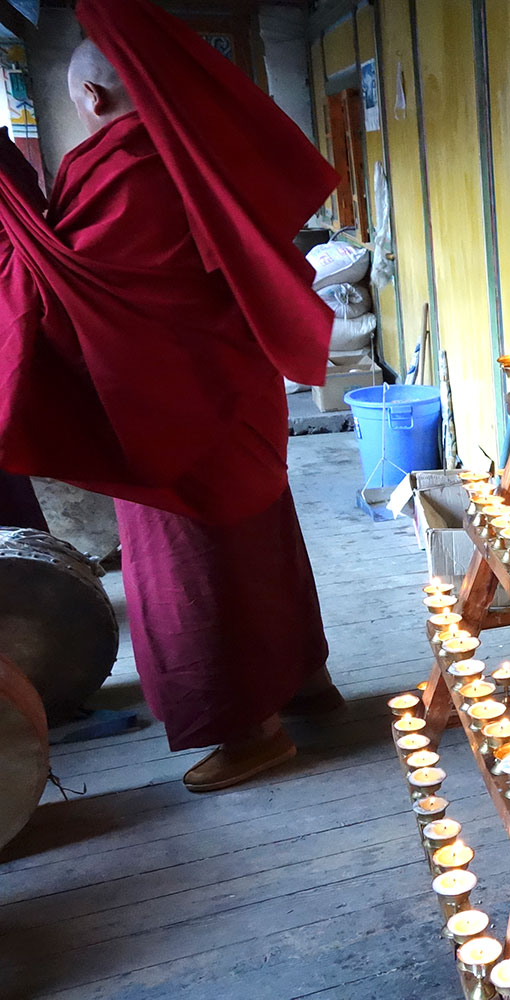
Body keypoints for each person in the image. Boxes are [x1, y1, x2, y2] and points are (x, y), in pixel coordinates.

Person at [0, 0, 341, 790]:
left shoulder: (122, 166)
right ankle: (301, 684)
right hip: (234, 391)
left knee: (191, 566)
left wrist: (21, 231)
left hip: (164, 408)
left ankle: (248, 729)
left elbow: (80, 291)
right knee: (260, 545)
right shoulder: (196, 153)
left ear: (89, 99)